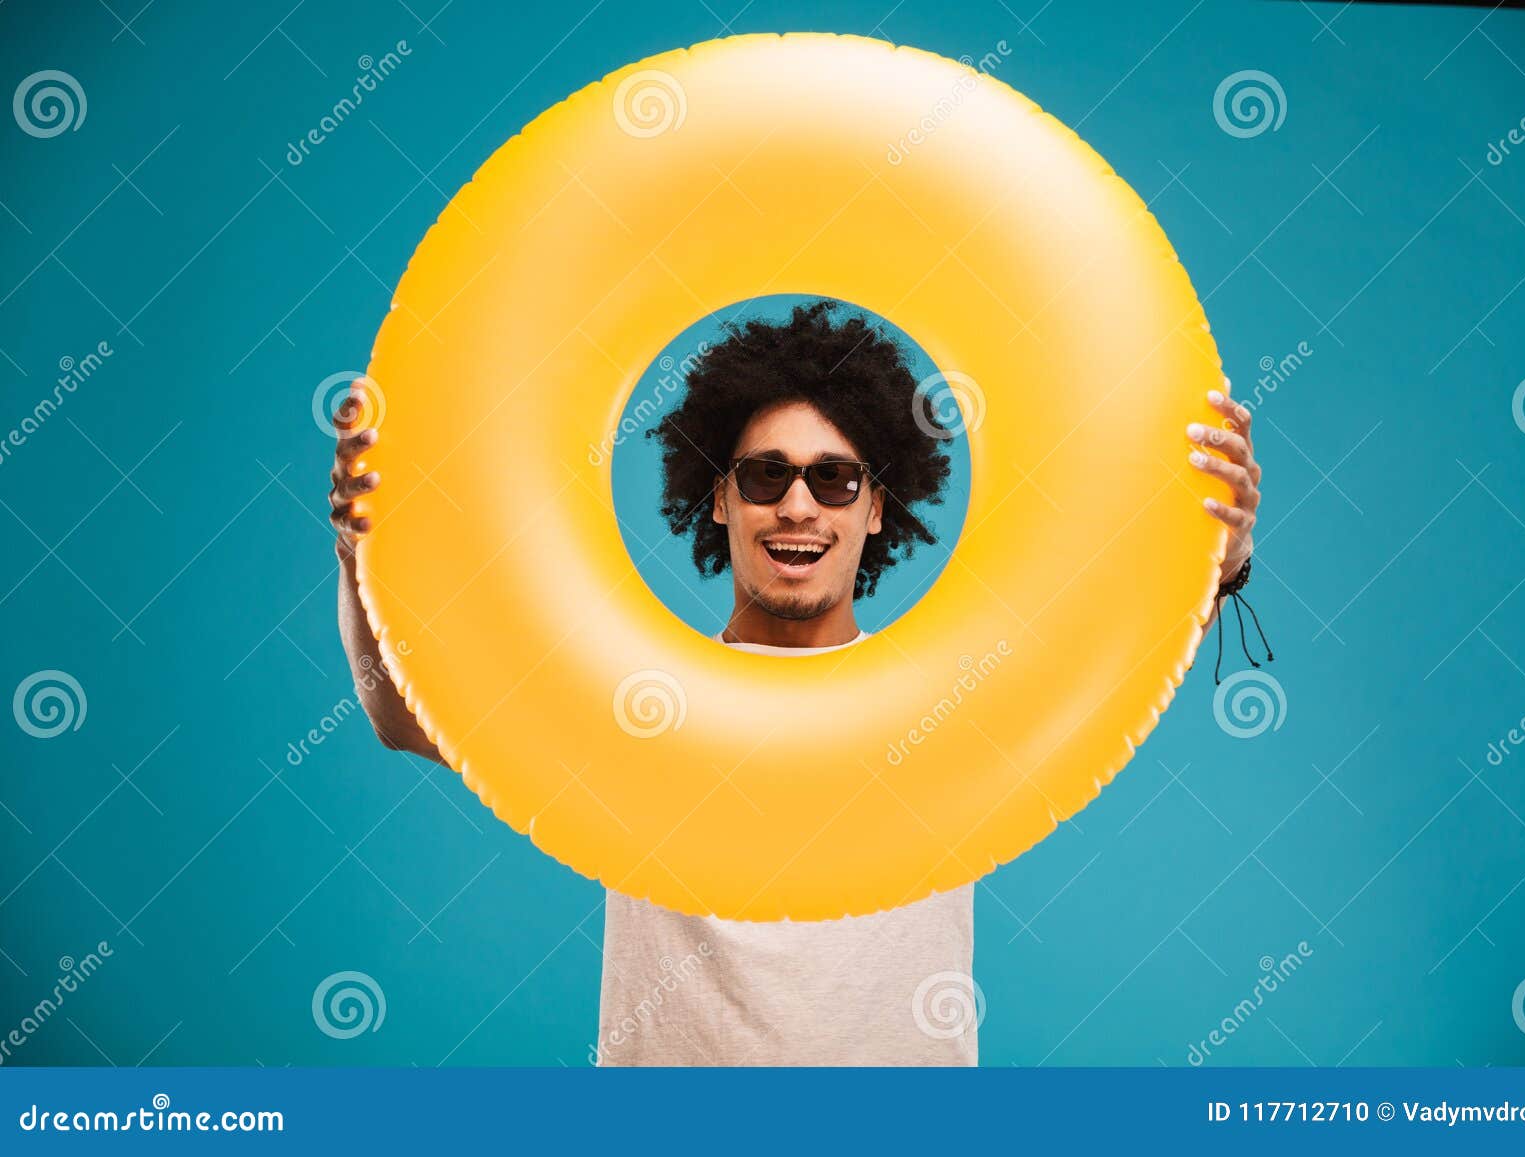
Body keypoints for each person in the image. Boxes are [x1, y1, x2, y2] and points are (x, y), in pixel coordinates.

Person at [328, 300, 1263, 1066]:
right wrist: (358, 559)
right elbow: (400, 716)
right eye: (767, 475)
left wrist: (1215, 561)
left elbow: (1114, 679)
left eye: (835, 479)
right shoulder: (632, 695)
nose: (799, 506)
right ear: (722, 496)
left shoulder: (949, 696)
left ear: (877, 506)